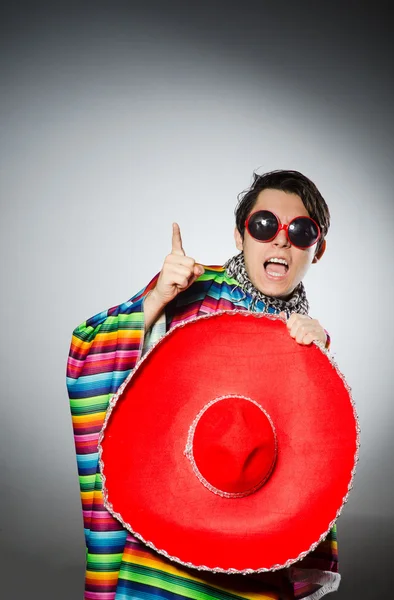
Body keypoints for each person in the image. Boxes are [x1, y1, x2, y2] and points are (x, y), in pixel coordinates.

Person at [67, 170, 338, 600]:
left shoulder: (306, 338)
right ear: (239, 235)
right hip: (159, 556)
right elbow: (87, 350)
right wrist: (155, 301)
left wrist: (316, 363)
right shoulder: (190, 289)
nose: (281, 240)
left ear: (316, 250)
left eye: (300, 231)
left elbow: (314, 470)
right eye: (265, 225)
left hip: (254, 560)